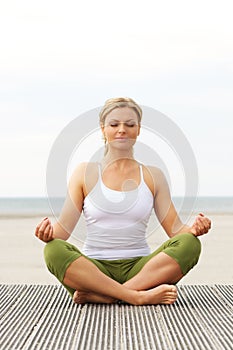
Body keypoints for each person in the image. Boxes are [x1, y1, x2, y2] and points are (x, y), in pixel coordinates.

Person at [35, 97, 211, 306]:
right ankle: (136, 296)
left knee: (190, 244)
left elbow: (176, 231)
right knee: (53, 250)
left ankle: (108, 296)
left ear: (138, 130)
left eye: (129, 125)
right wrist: (46, 234)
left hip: (141, 269)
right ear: (103, 129)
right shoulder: (84, 173)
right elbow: (62, 233)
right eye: (114, 124)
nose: (122, 130)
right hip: (95, 270)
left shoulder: (153, 175)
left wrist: (195, 229)